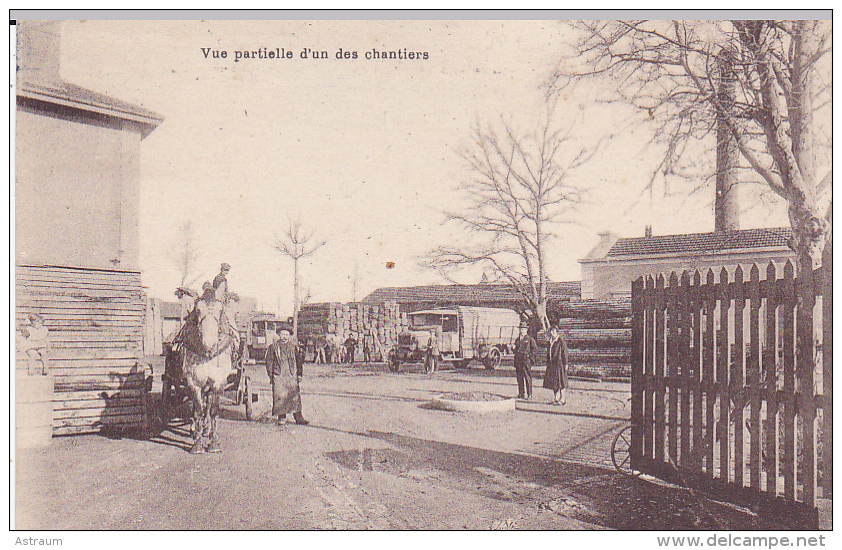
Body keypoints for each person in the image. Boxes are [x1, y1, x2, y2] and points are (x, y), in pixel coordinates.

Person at [265, 327, 308, 426]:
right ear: (279, 335)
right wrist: (271, 375)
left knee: (295, 396)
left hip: (291, 375)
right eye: (282, 334)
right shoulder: (273, 347)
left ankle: (298, 417)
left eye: (286, 335)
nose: (284, 337)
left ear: (289, 336)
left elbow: (299, 361)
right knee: (280, 396)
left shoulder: (293, 347)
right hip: (279, 376)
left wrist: (299, 374)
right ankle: (281, 416)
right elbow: (269, 362)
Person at [542, 325, 570, 405]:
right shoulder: (550, 341)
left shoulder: (561, 341)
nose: (552, 333)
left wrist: (566, 364)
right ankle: (556, 398)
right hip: (552, 364)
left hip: (559, 364)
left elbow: (565, 353)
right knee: (554, 382)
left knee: (561, 382)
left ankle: (563, 399)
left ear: (557, 332)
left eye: (554, 331)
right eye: (551, 331)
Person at [513, 322, 538, 400]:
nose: (521, 331)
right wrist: (513, 349)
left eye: (523, 329)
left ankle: (529, 394)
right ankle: (521, 394)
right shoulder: (517, 339)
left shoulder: (530, 339)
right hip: (518, 362)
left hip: (526, 361)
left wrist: (530, 359)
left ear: (526, 330)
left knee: (527, 378)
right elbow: (516, 350)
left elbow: (535, 349)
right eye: (520, 329)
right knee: (519, 378)